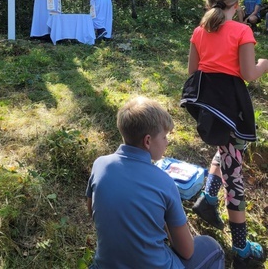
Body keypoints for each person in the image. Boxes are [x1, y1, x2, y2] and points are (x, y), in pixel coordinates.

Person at [182, 0, 268, 268]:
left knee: (226, 148)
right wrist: (264, 63)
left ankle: (207, 199)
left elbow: (193, 72)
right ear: (236, 3)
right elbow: (248, 73)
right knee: (235, 176)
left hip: (208, 106)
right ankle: (241, 249)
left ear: (209, 3)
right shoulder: (243, 30)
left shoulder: (199, 31)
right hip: (232, 108)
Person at [86, 96, 225, 269]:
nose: (167, 142)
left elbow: (92, 210)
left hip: (104, 265)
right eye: (165, 137)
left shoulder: (99, 164)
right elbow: (186, 251)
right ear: (147, 141)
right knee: (212, 247)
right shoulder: (165, 182)